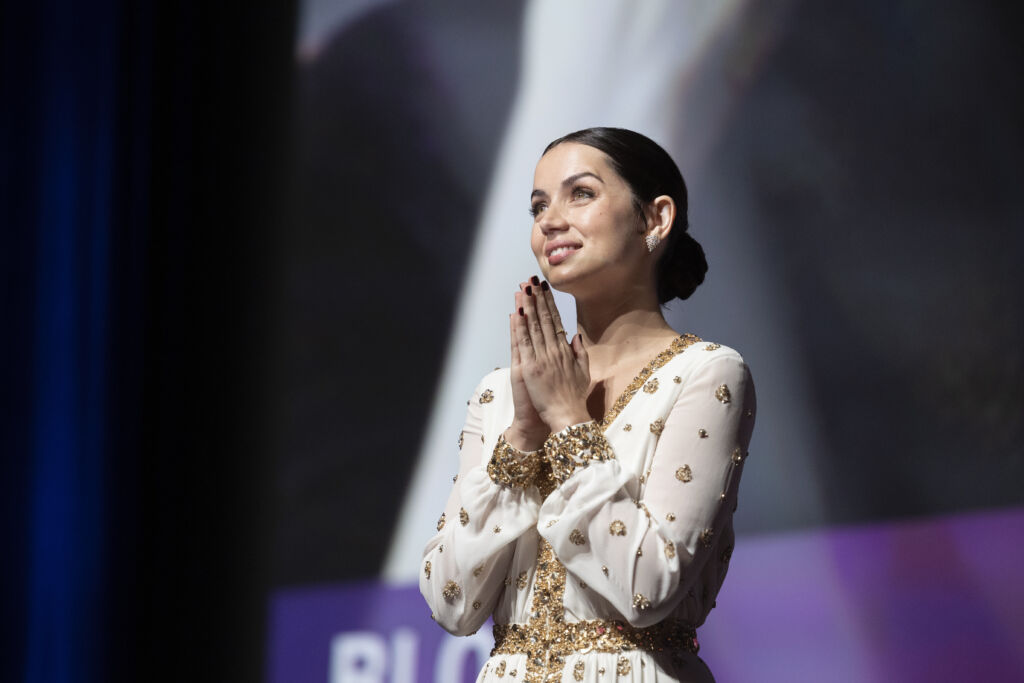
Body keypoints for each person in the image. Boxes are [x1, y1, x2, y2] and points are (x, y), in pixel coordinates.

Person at [420, 127, 756, 682]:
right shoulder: (499, 395)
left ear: (656, 219)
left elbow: (648, 586)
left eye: (581, 193)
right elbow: (452, 603)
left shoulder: (706, 372)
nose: (550, 220)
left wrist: (571, 423)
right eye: (538, 206)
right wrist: (525, 434)